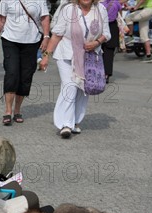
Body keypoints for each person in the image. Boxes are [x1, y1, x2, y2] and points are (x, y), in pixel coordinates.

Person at [39, 0, 110, 138]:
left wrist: (96, 42)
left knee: (82, 88)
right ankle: (65, 124)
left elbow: (106, 33)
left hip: (89, 55)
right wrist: (46, 56)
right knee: (70, 86)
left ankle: (75, 121)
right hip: (66, 53)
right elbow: (57, 35)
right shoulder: (68, 9)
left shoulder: (100, 9)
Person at [0, 0, 51, 126]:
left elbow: (45, 18)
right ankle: (8, 111)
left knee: (26, 76)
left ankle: (17, 110)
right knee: (12, 73)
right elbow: (0, 19)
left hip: (31, 41)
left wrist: (46, 37)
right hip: (10, 40)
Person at [101, 0, 124, 83]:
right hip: (112, 27)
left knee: (99, 50)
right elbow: (119, 14)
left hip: (101, 27)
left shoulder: (100, 3)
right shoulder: (116, 3)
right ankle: (106, 74)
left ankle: (99, 71)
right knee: (109, 52)